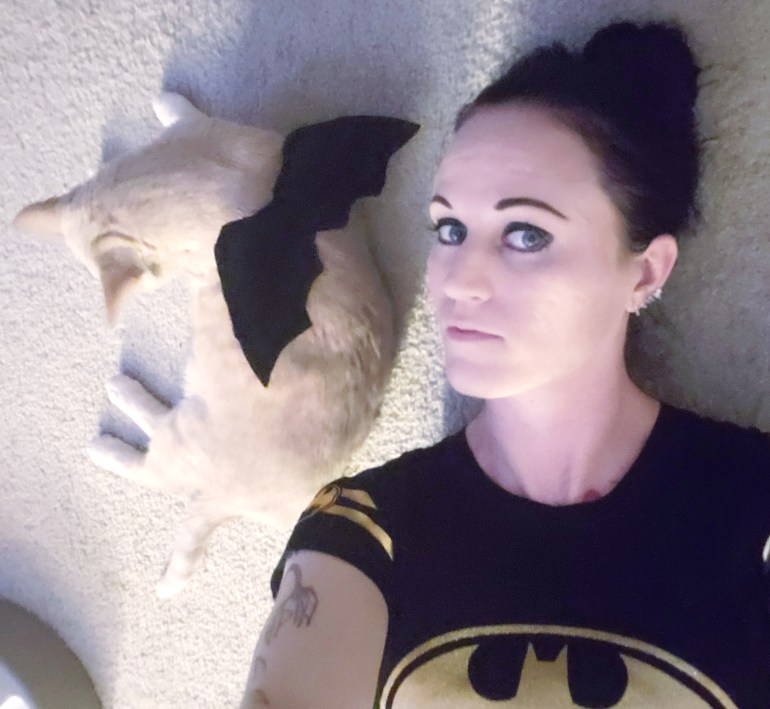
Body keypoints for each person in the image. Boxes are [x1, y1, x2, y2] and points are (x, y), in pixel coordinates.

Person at [240, 20, 770, 709]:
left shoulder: (751, 500)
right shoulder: (363, 534)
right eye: (450, 228)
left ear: (644, 272)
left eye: (525, 234)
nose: (459, 279)